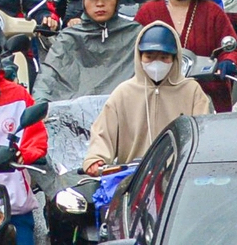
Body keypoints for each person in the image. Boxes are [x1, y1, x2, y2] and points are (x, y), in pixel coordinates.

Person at [83, 24, 214, 172]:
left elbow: (203, 134)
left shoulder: (192, 91)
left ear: (175, 57)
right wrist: (96, 159)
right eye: (149, 57)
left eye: (164, 57)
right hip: (132, 178)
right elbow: (103, 131)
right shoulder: (124, 92)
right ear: (139, 56)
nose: (156, 63)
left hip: (179, 175)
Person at [134, 0, 237, 112]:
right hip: (157, 97)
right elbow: (132, 52)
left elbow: (233, 49)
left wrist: (228, 61)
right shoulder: (148, 12)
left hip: (206, 97)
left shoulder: (212, 12)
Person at [32, 0, 140, 101]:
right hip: (75, 120)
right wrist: (39, 107)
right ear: (83, 0)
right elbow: (47, 79)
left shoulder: (135, 34)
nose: (100, 3)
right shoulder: (69, 38)